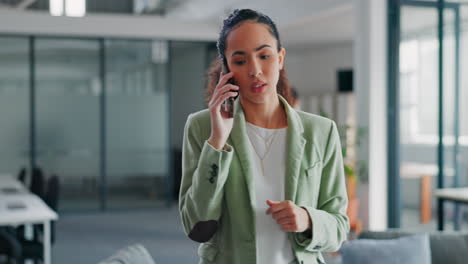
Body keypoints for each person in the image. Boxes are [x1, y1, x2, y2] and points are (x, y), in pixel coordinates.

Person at [179, 9, 349, 264]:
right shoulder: (201, 127)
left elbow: (338, 228)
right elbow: (196, 225)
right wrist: (217, 141)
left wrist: (307, 219)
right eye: (240, 60)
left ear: (280, 58)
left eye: (264, 55)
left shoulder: (321, 131)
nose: (255, 70)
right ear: (227, 68)